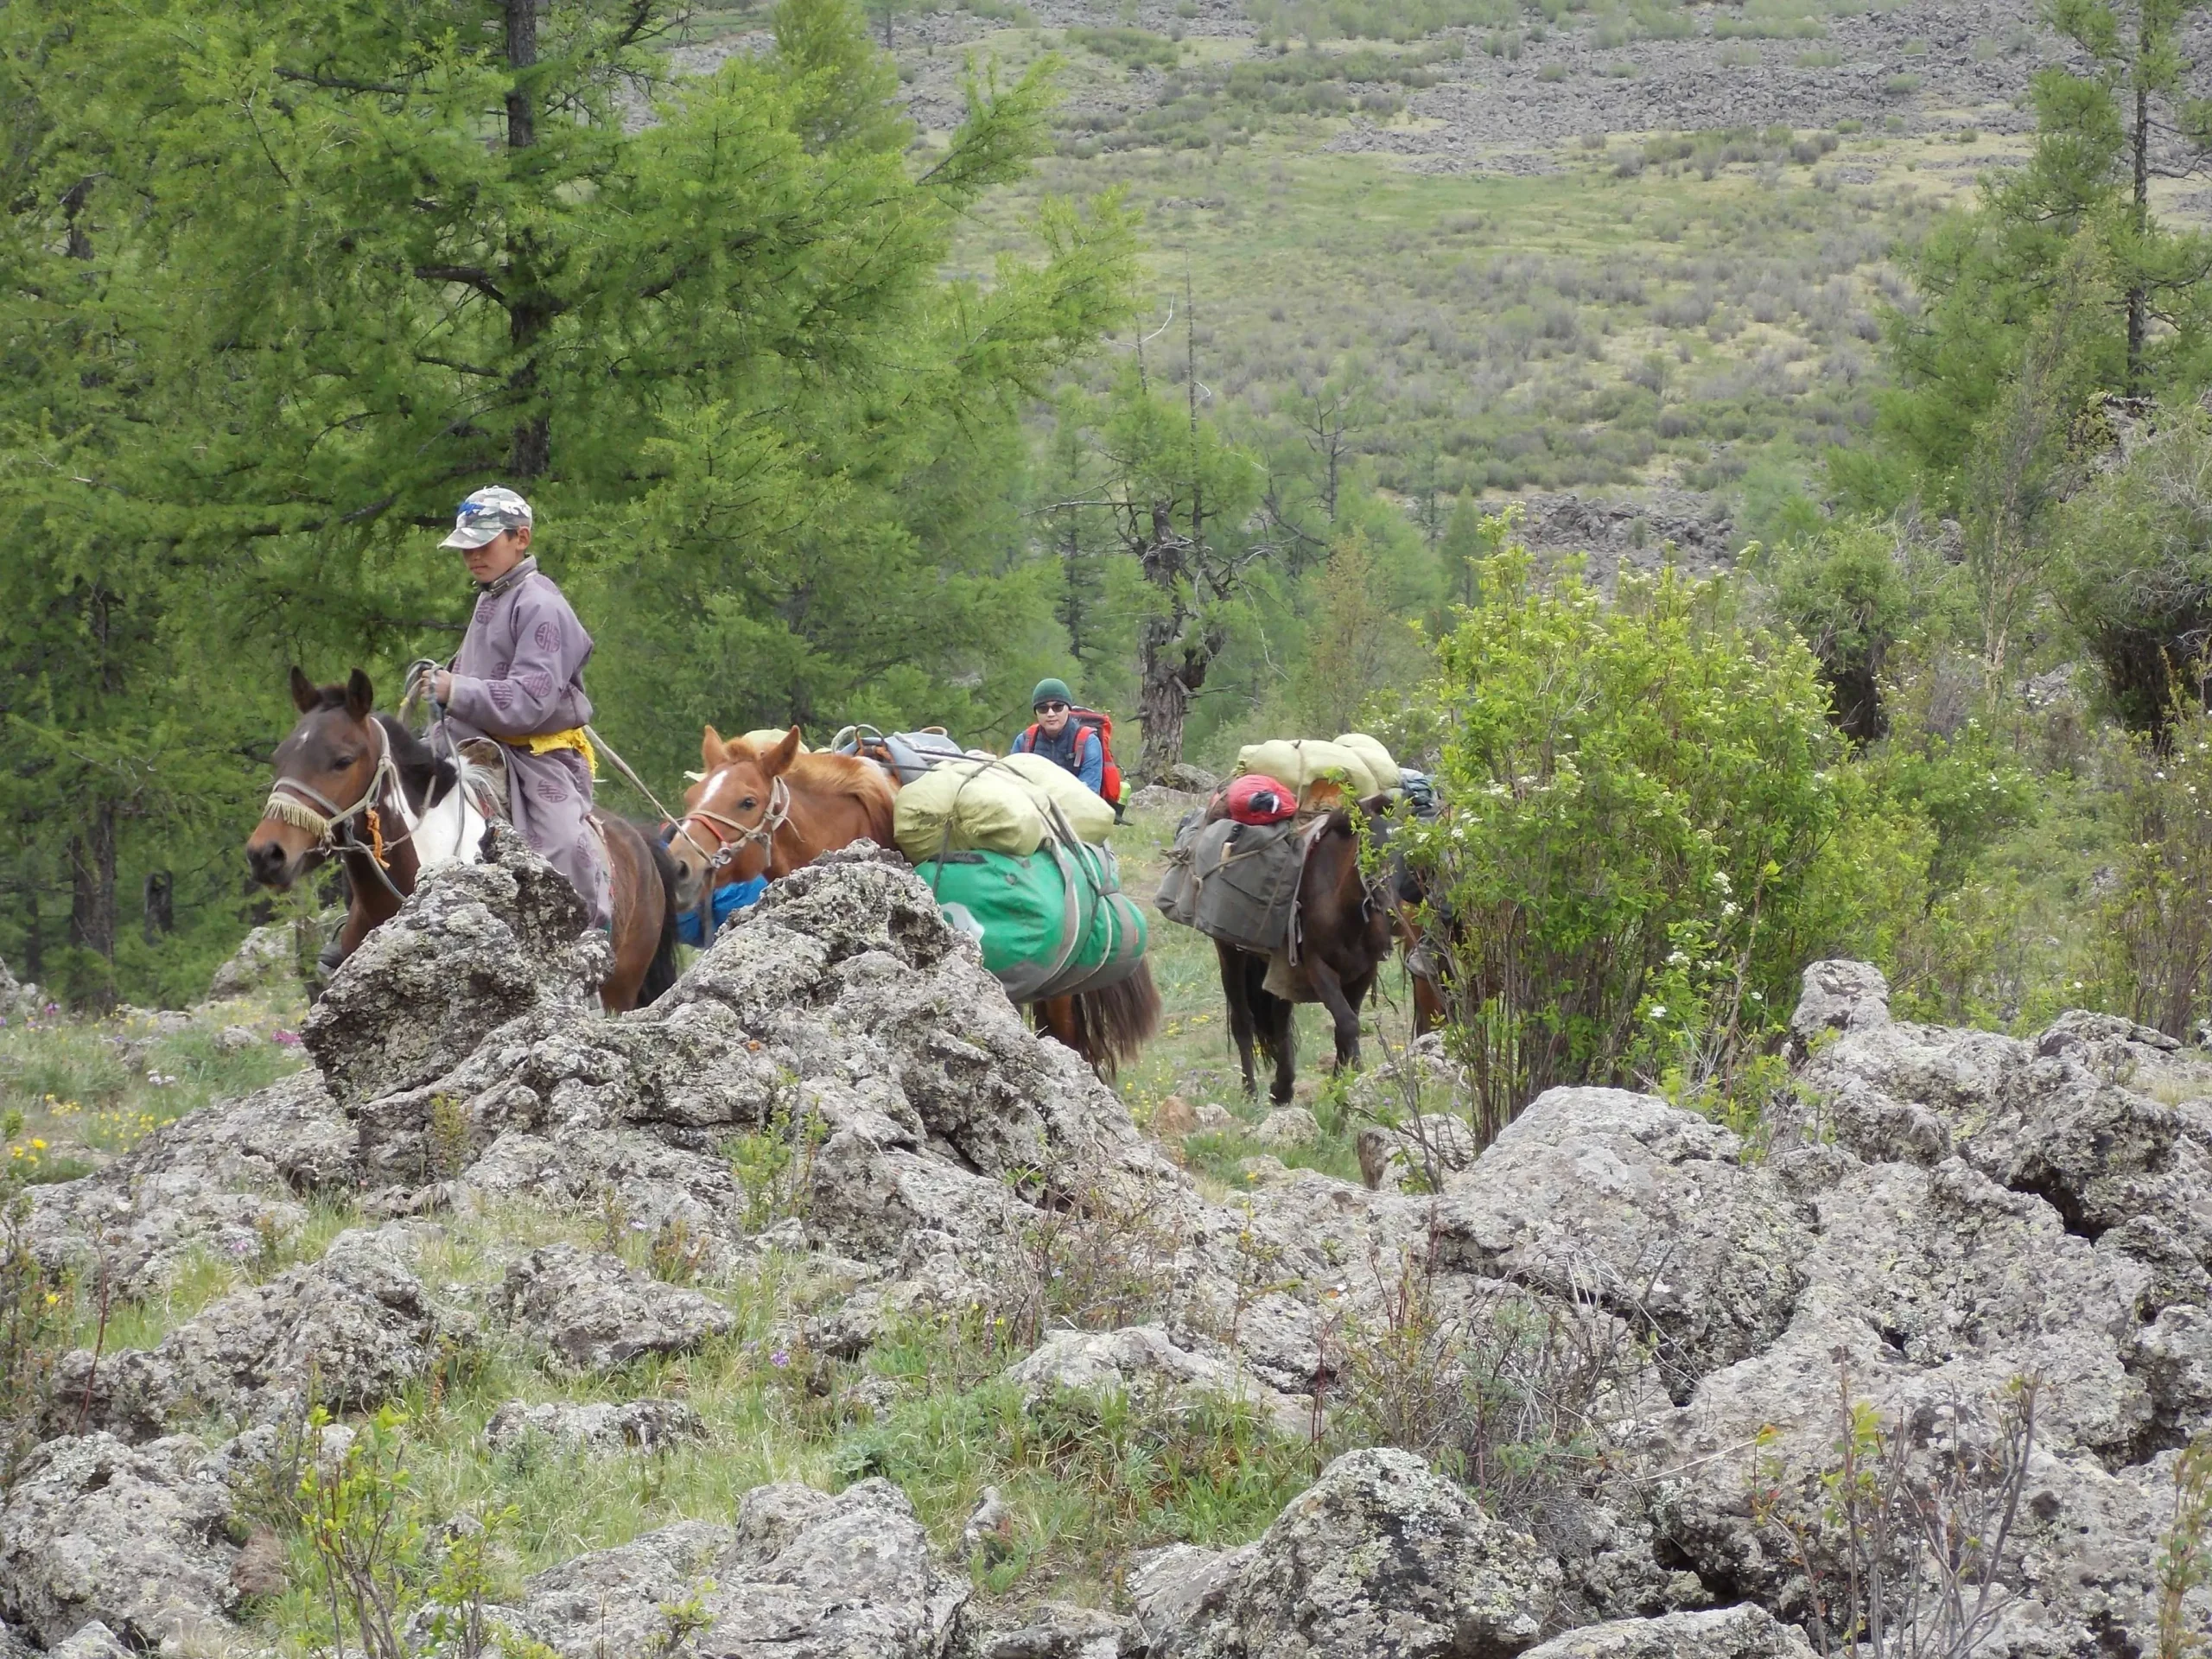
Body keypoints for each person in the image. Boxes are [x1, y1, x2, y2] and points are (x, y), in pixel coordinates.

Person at [426, 486, 612, 929]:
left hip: (535, 756)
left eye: (483, 544)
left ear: (521, 538)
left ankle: (585, 941)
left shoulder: (541, 605)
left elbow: (529, 701)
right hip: (472, 741)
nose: (472, 556)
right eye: (465, 547)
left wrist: (456, 690)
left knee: (565, 846)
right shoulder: (492, 595)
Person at [1011, 677, 1107, 798]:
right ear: (1036, 713)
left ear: (1069, 709)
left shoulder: (1088, 742)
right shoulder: (1024, 742)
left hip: (1076, 812)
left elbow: (1089, 795)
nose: (1050, 714)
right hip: (1031, 812)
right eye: (1043, 709)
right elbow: (1012, 788)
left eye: (1058, 707)